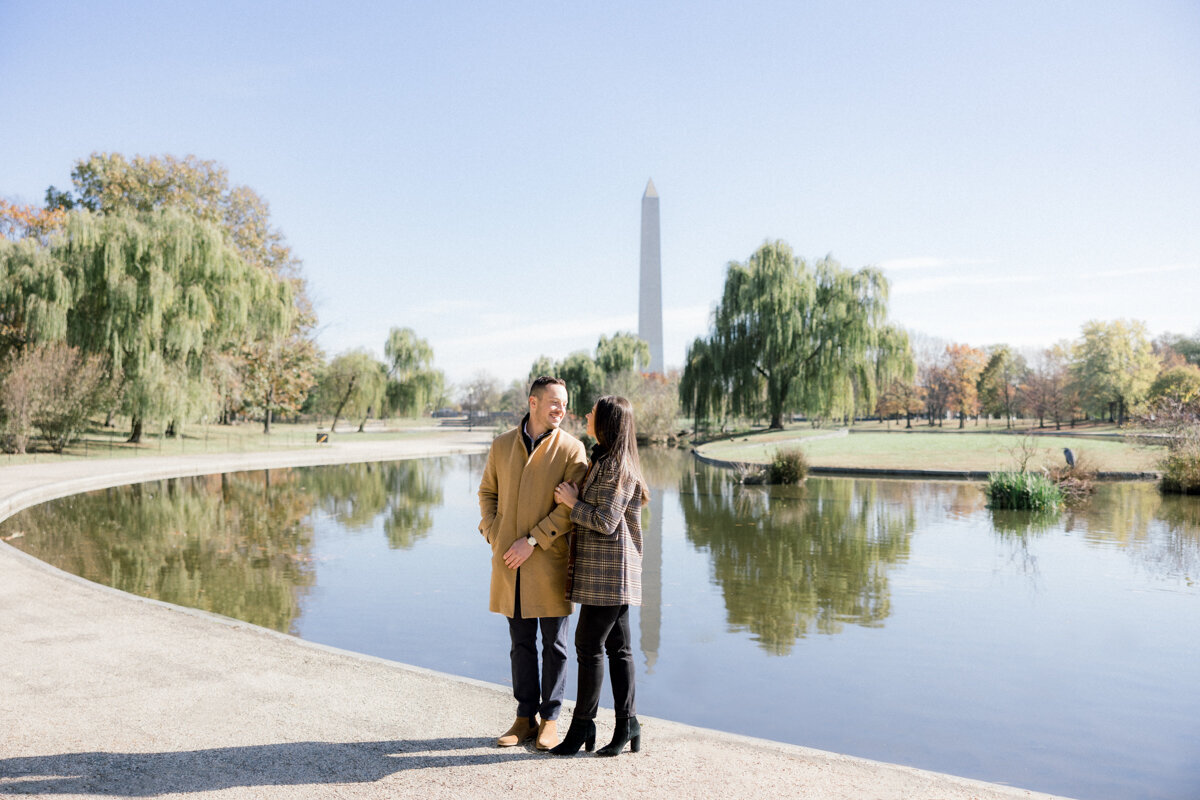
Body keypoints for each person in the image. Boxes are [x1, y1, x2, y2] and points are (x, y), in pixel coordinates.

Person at [478, 376, 588, 750]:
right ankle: (524, 717)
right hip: (509, 561)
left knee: (555, 644)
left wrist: (532, 540)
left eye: (565, 404)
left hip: (548, 561)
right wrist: (493, 532)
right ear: (533, 403)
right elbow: (487, 493)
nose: (561, 410)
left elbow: (568, 510)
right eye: (555, 402)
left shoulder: (573, 450)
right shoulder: (501, 445)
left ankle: (551, 720)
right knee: (520, 642)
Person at [549, 395, 648, 757]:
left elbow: (606, 521)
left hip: (611, 575)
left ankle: (582, 725)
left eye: (592, 412)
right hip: (608, 573)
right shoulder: (605, 459)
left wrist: (572, 503)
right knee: (618, 650)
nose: (587, 415)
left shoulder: (617, 467)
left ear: (606, 421)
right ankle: (627, 724)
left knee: (588, 645)